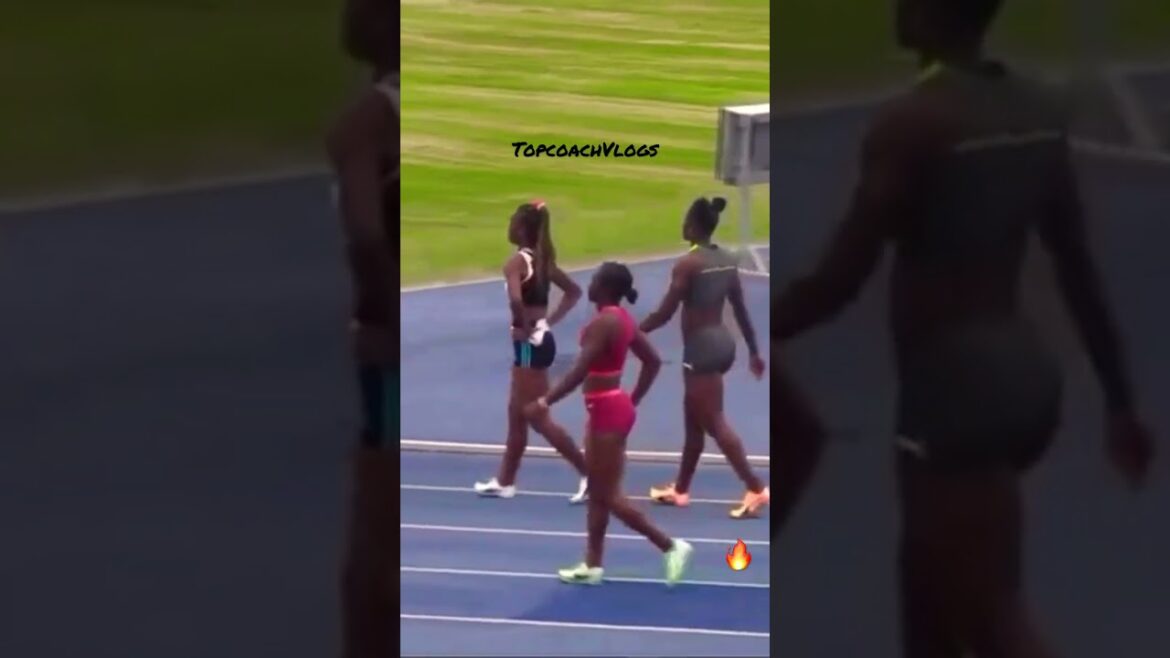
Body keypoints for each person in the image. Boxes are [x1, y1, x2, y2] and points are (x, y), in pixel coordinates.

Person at [771, 0, 1155, 656]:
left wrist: (760, 329)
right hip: (1019, 377)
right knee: (927, 605)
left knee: (992, 619)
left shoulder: (912, 124)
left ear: (930, 13)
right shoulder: (1035, 110)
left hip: (952, 397)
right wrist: (1120, 403)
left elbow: (841, 279)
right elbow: (1075, 262)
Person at [524, 262, 694, 586]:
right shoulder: (623, 319)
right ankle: (593, 564)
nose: (589, 284)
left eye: (594, 280)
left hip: (607, 411)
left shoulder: (604, 323)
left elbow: (579, 371)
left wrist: (544, 402)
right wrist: (632, 400)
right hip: (610, 407)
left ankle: (671, 546)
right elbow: (652, 361)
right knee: (598, 489)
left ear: (604, 288)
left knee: (607, 494)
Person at [325, 0, 398, 656]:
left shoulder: (366, 123)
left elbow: (366, 232)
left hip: (391, 356)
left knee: (380, 547)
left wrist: (388, 312)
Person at [639, 197, 770, 519]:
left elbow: (665, 312)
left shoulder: (688, 264)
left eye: (686, 220)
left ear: (694, 227)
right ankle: (681, 489)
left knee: (713, 421)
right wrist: (754, 351)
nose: (682, 225)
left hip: (701, 349)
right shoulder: (727, 259)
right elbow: (740, 308)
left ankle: (755, 487)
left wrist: (632, 330)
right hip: (722, 344)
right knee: (693, 419)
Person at [474, 201, 588, 502]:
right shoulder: (543, 261)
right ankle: (505, 481)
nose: (509, 226)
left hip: (528, 345)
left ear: (523, 229)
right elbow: (574, 291)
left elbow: (515, 300)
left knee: (536, 415)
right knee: (516, 412)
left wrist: (522, 325)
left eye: (513, 221)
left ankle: (588, 473)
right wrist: (548, 322)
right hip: (537, 341)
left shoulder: (516, 263)